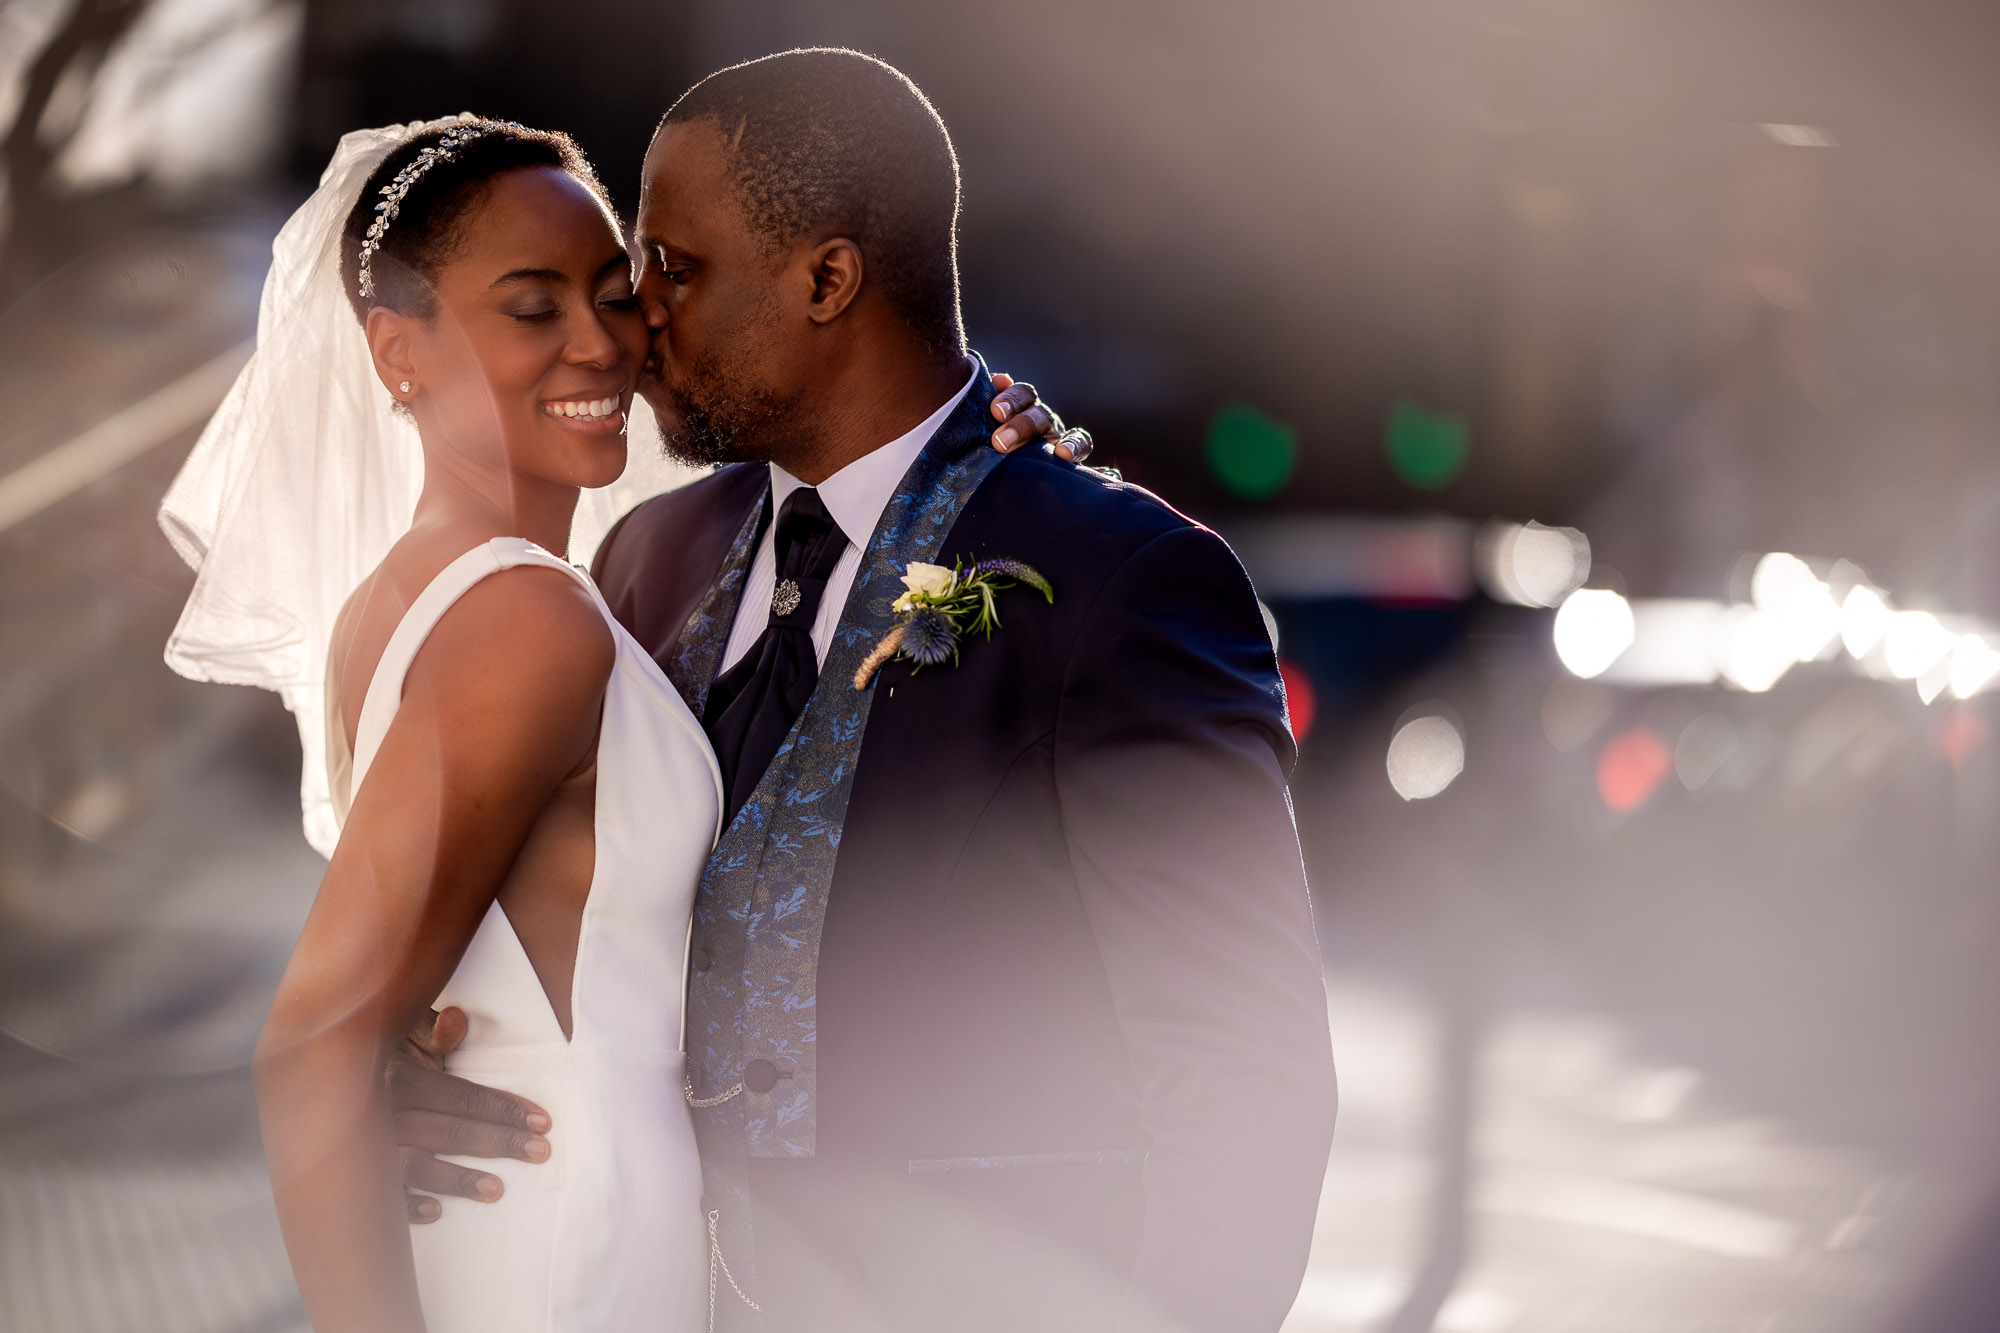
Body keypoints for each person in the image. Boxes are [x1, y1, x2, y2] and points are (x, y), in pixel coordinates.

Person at [387, 50, 1338, 1333]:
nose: (633, 315)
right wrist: (420, 1065)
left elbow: (1242, 1078)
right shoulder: (641, 558)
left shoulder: (1118, 577)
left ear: (828, 278)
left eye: (673, 266)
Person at [158, 115, 1065, 1333]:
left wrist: (980, 447)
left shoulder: (416, 597)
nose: (599, 343)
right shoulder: (525, 620)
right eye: (530, 308)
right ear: (396, 352)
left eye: (612, 290)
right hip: (562, 1247)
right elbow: (316, 1040)